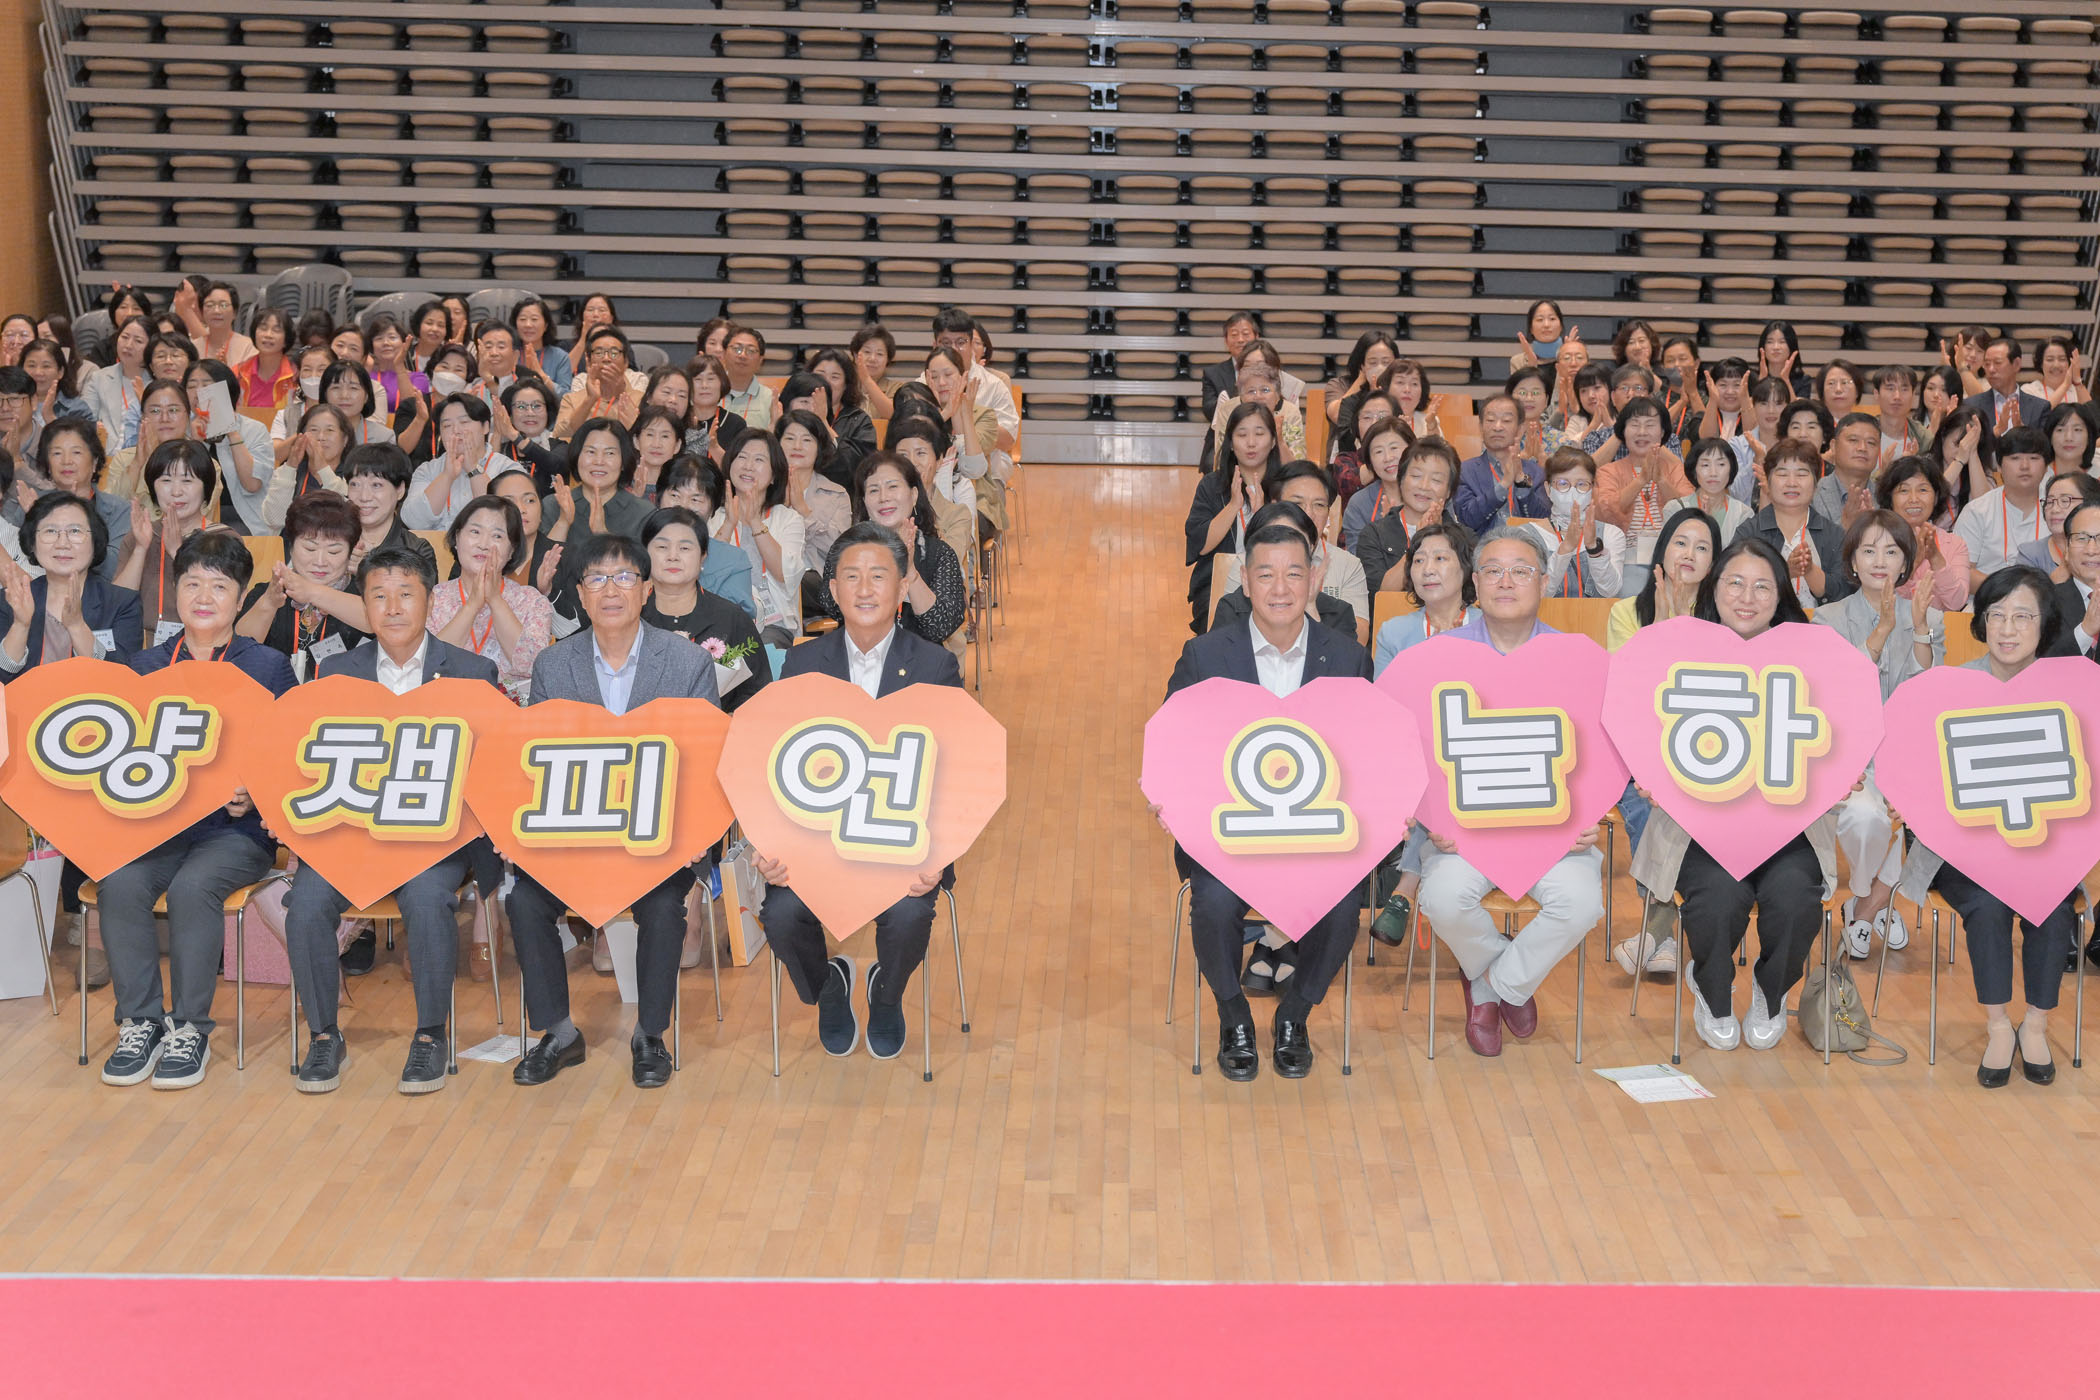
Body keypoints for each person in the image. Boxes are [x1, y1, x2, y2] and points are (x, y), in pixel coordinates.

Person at [1153, 518, 1369, 1079]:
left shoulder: (1347, 657)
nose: (1280, 588)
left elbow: (1369, 754)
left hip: (1318, 833)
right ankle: (1234, 1016)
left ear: (1314, 579)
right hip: (1230, 833)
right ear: (1244, 581)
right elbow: (1170, 740)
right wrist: (1167, 801)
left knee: (1344, 904)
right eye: (1265, 574)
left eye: (1293, 574)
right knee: (1215, 901)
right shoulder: (1205, 655)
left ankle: (1296, 1013)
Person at [288, 545, 504, 1094]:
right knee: (307, 903)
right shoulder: (337, 671)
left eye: (406, 594)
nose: (392, 607)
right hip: (351, 834)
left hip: (435, 836)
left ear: (430, 601)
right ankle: (323, 1035)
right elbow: (308, 756)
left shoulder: (472, 673)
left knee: (428, 899)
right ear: (363, 605)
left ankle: (431, 1034)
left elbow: (493, 766)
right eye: (378, 596)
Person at [509, 533, 719, 1090]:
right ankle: (558, 1033)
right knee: (524, 900)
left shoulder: (687, 662)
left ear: (646, 589)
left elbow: (706, 761)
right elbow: (538, 761)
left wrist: (693, 836)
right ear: (580, 593)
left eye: (624, 577)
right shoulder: (555, 664)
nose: (611, 590)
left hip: (659, 837)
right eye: (597, 578)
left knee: (662, 907)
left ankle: (650, 1034)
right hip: (577, 837)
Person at [751, 522, 964, 1062]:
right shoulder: (803, 663)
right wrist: (768, 844)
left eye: (878, 576)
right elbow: (772, 761)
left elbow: (959, 771)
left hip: (903, 843)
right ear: (834, 589)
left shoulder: (935, 666)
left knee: (910, 915)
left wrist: (938, 855)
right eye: (851, 576)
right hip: (817, 844)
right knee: (780, 914)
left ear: (901, 587)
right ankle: (829, 988)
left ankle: (885, 997)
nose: (865, 589)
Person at [94, 533, 294, 1088]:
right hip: (159, 827)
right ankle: (141, 1022)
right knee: (119, 882)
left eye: (219, 586)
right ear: (174, 592)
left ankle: (189, 1028)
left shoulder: (268, 665)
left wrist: (256, 792)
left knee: (192, 888)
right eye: (192, 584)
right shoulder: (145, 666)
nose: (204, 597)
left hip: (235, 831)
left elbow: (294, 754)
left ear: (240, 598)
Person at [1413, 527, 1606, 1056]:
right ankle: (1504, 977)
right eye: (1493, 571)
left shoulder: (1577, 659)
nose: (1506, 581)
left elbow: (1606, 748)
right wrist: (1432, 818)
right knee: (1443, 898)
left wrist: (1591, 812)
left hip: (1555, 832)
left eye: (1521, 571)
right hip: (1466, 834)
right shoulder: (1438, 658)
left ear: (1544, 582)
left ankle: (1493, 987)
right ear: (1474, 583)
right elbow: (1408, 749)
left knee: (1581, 903)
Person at [1635, 538, 1828, 1053]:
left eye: (1762, 586)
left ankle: (1771, 992)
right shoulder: (1679, 655)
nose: (1747, 597)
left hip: (1789, 826)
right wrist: (1650, 778)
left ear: (1781, 594)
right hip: (1699, 826)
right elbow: (1643, 731)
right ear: (1713, 588)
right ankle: (1712, 989)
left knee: (1795, 898)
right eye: (1735, 583)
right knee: (1720, 898)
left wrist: (1839, 773)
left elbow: (1839, 734)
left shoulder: (1811, 660)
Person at [1897, 567, 2080, 1087]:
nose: (2008, 628)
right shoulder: (1953, 687)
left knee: (2052, 905)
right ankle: (1999, 1024)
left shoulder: (2071, 692)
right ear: (1980, 623)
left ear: (2045, 625)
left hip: (2045, 847)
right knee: (1988, 903)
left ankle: (2036, 1023)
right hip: (1963, 850)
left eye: (2023, 616)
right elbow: (1917, 769)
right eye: (1996, 615)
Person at [1814, 510, 1944, 959]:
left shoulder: (1929, 616)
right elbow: (1839, 692)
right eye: (1868, 551)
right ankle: (1873, 897)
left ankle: (1864, 908)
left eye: (1891, 551)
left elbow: (1928, 696)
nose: (1879, 561)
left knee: (1937, 813)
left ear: (1907, 562)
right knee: (1866, 818)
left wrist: (1920, 627)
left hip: (1909, 756)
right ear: (1853, 561)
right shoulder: (1827, 618)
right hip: (1851, 756)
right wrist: (1883, 629)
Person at [1604, 508, 1720, 975]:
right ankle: (1665, 928)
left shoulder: (1723, 618)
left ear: (1714, 562)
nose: (1689, 554)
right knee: (1643, 803)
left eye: (1702, 547)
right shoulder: (1626, 613)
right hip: (1642, 746)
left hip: (1708, 750)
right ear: (1662, 550)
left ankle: (1658, 930)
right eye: (1680, 542)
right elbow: (1632, 691)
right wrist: (1663, 627)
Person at [826, 451, 965, 652]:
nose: (884, 497)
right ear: (864, 501)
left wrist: (909, 571)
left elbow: (940, 627)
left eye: (892, 487)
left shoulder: (939, 554)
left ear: (914, 495)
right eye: (874, 490)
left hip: (921, 661)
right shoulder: (847, 550)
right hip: (858, 656)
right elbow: (831, 604)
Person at [1219, 461, 1369, 642]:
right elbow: (1227, 634)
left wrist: (1311, 609)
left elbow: (1358, 639)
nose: (1309, 514)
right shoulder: (1247, 562)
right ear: (1276, 505)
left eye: (1319, 505)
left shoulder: (1347, 564)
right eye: (1297, 503)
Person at [639, 505, 771, 710]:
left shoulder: (731, 618)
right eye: (662, 547)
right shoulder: (630, 616)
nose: (673, 556)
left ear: (703, 556)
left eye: (684, 548)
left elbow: (758, 692)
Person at [428, 494, 554, 702]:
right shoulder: (432, 599)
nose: (484, 544)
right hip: (445, 708)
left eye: (497, 536)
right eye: (475, 532)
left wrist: (495, 600)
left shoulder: (531, 601)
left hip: (512, 711)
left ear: (512, 549)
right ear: (457, 538)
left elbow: (533, 666)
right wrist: (472, 606)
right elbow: (430, 666)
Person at [0, 489, 140, 672]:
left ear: (95, 541)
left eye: (75, 531)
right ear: (32, 543)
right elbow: (3, 678)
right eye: (50, 531)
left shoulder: (122, 603)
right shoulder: (9, 601)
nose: (62, 543)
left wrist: (77, 626)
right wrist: (20, 625)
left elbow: (123, 675)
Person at [234, 490, 373, 675]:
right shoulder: (269, 592)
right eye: (309, 548)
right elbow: (238, 651)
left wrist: (312, 592)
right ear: (291, 548)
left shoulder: (365, 593)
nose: (320, 561)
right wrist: (268, 603)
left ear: (351, 552)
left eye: (333, 551)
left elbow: (378, 620)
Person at [1184, 401, 1279, 633]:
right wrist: (1233, 505)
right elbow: (1201, 545)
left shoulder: (1284, 487)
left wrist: (1262, 515)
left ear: (1273, 441)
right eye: (1242, 434)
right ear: (1231, 444)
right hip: (1219, 585)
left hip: (1276, 583)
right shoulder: (1212, 486)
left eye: (1259, 434)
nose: (1251, 442)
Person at [713, 428, 806, 646]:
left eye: (759, 460)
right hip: (722, 621)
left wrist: (755, 522)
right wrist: (729, 525)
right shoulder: (715, 517)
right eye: (742, 457)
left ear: (774, 475)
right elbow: (707, 574)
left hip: (774, 625)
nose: (748, 466)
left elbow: (784, 574)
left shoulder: (788, 519)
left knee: (759, 649)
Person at [115, 439, 217, 637]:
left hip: (203, 644)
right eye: (166, 480)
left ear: (206, 487)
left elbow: (217, 603)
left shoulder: (223, 539)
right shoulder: (140, 535)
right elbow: (118, 605)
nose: (176, 492)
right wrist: (140, 549)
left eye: (187, 481)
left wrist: (177, 552)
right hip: (142, 645)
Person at [1592, 395, 1691, 590]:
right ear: (1623, 431)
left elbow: (1688, 512)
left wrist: (1661, 481)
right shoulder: (1608, 471)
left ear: (1662, 432)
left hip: (1673, 559)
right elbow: (1607, 513)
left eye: (1650, 425)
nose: (1642, 432)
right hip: (1626, 560)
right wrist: (1640, 481)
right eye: (1635, 425)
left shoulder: (1676, 470)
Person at [1748, 437, 1852, 608]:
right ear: (1768, 482)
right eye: (1782, 474)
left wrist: (1810, 571)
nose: (1792, 483)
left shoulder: (1834, 535)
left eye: (1802, 474)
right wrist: (1785, 572)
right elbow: (1737, 584)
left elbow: (1846, 594)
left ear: (1816, 483)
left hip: (1820, 623)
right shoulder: (1750, 533)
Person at [404, 394, 526, 532]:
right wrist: (446, 476)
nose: (456, 431)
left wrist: (474, 469)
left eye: (464, 422)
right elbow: (413, 522)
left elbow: (509, 521)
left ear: (485, 427)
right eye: (447, 425)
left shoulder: (508, 469)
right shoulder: (428, 470)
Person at [1954, 425, 2050, 592]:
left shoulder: (2058, 509)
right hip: (1988, 600)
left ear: (2046, 467)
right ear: (1999, 466)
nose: (2025, 466)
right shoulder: (1977, 511)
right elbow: (1961, 573)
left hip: (2045, 600)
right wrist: (2011, 590)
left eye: (2034, 458)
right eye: (2015, 458)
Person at [1350, 433, 1448, 593]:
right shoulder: (1373, 535)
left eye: (1436, 480)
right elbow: (1380, 598)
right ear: (1401, 480)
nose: (1424, 486)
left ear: (1449, 491)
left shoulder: (1464, 538)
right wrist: (1419, 541)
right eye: (1416, 476)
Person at [34, 417, 129, 581]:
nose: (66, 461)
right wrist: (34, 522)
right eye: (57, 453)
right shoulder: (31, 505)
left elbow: (112, 568)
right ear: (48, 465)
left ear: (94, 462)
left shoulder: (119, 510)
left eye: (76, 452)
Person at [1525, 446, 1625, 598]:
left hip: (1595, 614)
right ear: (1548, 489)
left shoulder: (1611, 533)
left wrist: (1594, 548)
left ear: (1593, 489)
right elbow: (1537, 594)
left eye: (1582, 484)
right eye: (1563, 483)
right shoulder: (1527, 535)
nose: (1573, 492)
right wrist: (1566, 548)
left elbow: (1610, 591)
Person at [779, 408, 853, 611]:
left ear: (819, 447)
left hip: (817, 585)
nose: (797, 446)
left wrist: (803, 511)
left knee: (796, 579)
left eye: (807, 440)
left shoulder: (836, 494)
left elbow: (840, 551)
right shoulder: (764, 489)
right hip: (769, 579)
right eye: (790, 438)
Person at [1878, 454, 1971, 612]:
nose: (1914, 499)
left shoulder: (1954, 544)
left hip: (1940, 627)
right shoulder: (1878, 541)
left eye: (1922, 490)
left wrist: (1935, 558)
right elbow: (1880, 599)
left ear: (1936, 497)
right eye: (1904, 490)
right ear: (1890, 499)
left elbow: (1956, 603)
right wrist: (1913, 564)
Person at [341, 442, 438, 578]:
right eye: (355, 484)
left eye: (376, 485)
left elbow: (419, 592)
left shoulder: (417, 550)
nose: (364, 497)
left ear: (400, 490)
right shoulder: (335, 540)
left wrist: (368, 573)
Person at [1452, 394, 1545, 533]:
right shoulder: (1465, 471)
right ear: (1481, 427)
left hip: (1526, 544)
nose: (1497, 427)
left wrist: (1521, 482)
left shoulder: (1535, 471)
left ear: (1520, 429)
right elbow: (1467, 519)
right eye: (1490, 420)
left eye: (1506, 420)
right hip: (1483, 545)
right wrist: (1503, 485)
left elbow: (1543, 519)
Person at [551, 418, 652, 542]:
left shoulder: (643, 513)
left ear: (623, 462)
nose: (599, 461)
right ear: (577, 457)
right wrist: (562, 523)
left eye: (610, 453)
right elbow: (540, 554)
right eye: (591, 452)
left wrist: (601, 533)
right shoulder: (553, 505)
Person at [556, 327, 644, 436]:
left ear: (626, 362)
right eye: (599, 353)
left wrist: (620, 393)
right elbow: (560, 436)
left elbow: (645, 439)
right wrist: (590, 400)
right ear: (588, 361)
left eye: (614, 353)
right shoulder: (572, 400)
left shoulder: (641, 400)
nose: (606, 358)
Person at [1666, 436, 1752, 546]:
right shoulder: (1675, 509)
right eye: (1705, 465)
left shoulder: (1743, 514)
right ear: (1694, 471)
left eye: (1721, 464)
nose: (1713, 473)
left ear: (1731, 469)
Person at [81, 313, 150, 442]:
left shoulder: (156, 382)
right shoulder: (99, 378)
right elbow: (84, 421)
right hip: (107, 451)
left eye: (138, 341)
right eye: (124, 337)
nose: (128, 345)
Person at [2018, 472, 2100, 578]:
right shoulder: (2030, 554)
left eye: (2065, 501)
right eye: (2050, 502)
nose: (2055, 509)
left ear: (2091, 503)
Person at [1811, 413, 1883, 532]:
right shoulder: (1812, 494)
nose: (1862, 448)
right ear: (1833, 446)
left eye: (1871, 443)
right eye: (1853, 440)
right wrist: (1845, 525)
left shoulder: (1885, 497)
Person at [2048, 498, 2100, 662]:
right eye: (2081, 538)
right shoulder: (2046, 601)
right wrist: (2085, 631)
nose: (2091, 550)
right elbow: (2039, 663)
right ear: (2067, 549)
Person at [1962, 336, 2046, 432]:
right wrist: (1996, 432)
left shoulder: (2039, 407)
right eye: (1987, 364)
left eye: (1997, 362)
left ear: (2016, 364)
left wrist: (2022, 432)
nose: (1991, 369)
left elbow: (2041, 441)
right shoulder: (1971, 406)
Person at [233, 308, 295, 411]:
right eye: (263, 328)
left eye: (276, 330)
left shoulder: (295, 377)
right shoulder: (238, 373)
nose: (268, 335)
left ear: (286, 340)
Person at [511, 297, 572, 396]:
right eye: (522, 319)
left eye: (534, 319)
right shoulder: (509, 354)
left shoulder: (560, 357)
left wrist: (540, 374)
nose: (528, 325)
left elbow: (566, 397)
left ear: (546, 325)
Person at [720, 324, 775, 426]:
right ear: (723, 354)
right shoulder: (708, 392)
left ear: (760, 360)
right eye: (737, 349)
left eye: (751, 351)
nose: (743, 355)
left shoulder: (769, 399)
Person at [2042, 400, 2100, 481]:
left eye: (2077, 430)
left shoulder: (2097, 476)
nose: (2069, 438)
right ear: (2050, 437)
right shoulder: (2037, 477)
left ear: (2089, 437)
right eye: (2060, 430)